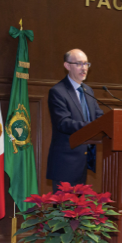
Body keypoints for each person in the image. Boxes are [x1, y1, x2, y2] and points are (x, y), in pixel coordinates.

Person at [46, 49, 104, 192]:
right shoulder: (58, 92)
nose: (84, 68)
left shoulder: (88, 91)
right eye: (78, 64)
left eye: (86, 64)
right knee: (63, 211)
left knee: (78, 211)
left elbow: (99, 116)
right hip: (65, 162)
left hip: (84, 161)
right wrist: (93, 127)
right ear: (67, 66)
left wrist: (108, 123)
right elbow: (63, 123)